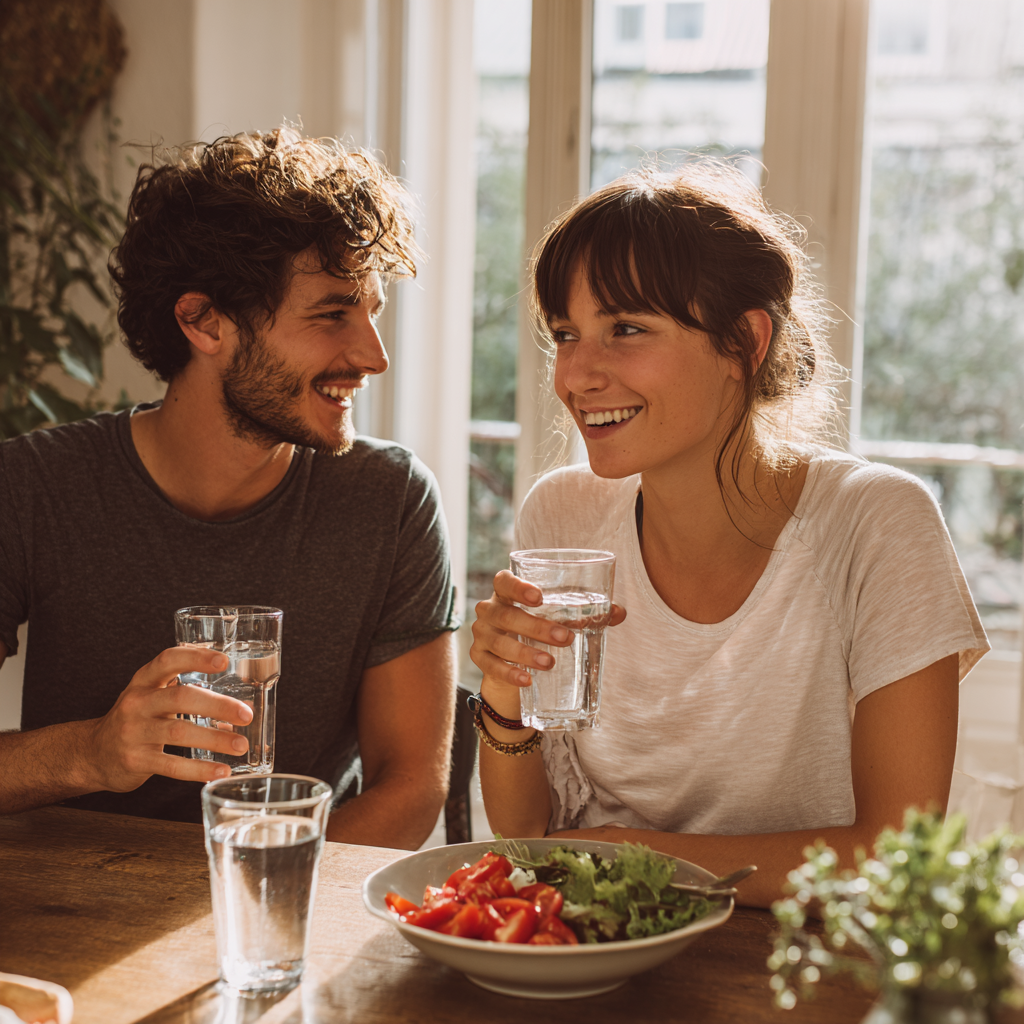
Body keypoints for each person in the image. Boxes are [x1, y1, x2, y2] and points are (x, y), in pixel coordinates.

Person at [469, 161, 989, 906]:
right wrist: (501, 689)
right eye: (564, 333)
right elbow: (525, 832)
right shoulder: (563, 516)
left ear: (743, 342)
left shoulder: (877, 523)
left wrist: (636, 858)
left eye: (624, 329)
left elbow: (891, 853)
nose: (574, 376)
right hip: (591, 946)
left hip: (794, 968)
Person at [0, 129, 458, 849]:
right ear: (202, 321)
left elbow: (410, 788)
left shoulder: (391, 499)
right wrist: (95, 751)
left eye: (373, 311)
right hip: (61, 922)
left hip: (284, 916)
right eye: (333, 313)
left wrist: (254, 902)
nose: (374, 355)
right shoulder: (32, 488)